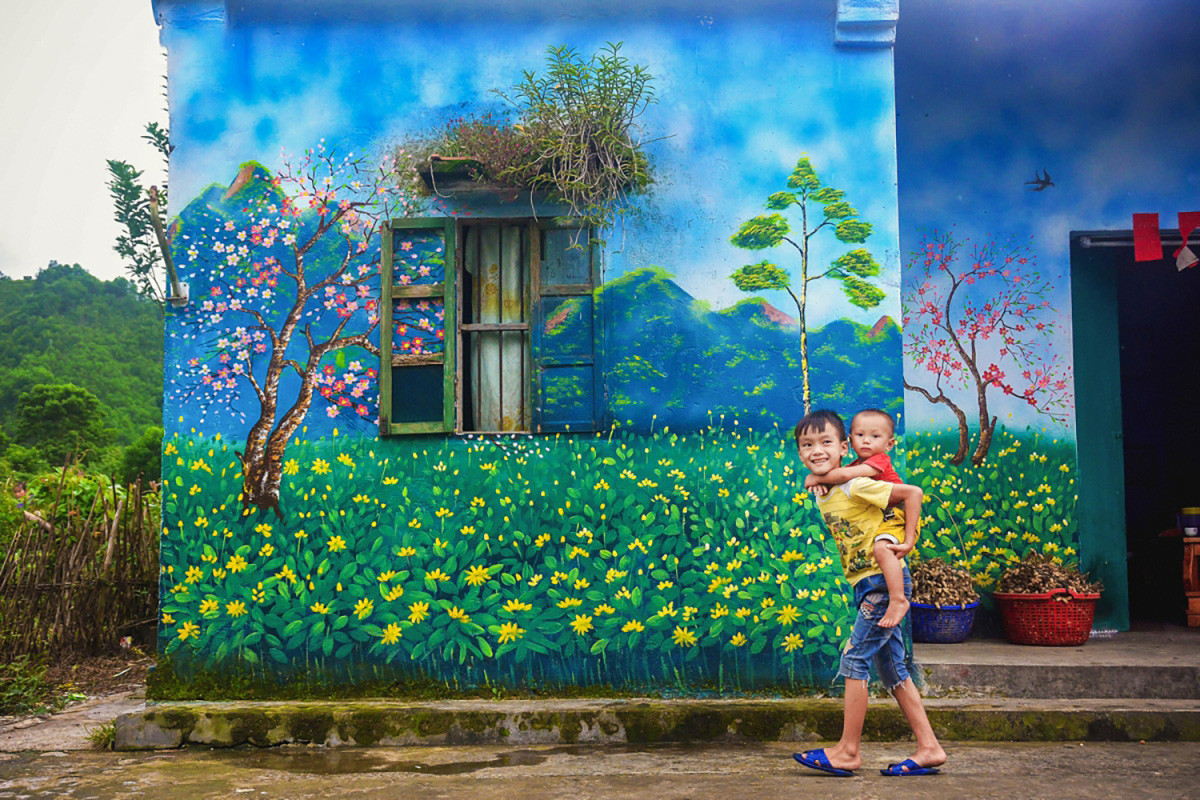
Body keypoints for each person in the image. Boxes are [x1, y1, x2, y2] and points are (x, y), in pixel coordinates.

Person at [791, 410, 946, 778]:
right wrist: (818, 478)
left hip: (882, 582)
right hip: (867, 584)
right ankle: (929, 748)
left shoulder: (858, 484)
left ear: (844, 447)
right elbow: (822, 478)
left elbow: (910, 493)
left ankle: (847, 751)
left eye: (826, 442)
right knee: (894, 671)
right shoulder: (826, 487)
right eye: (807, 445)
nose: (817, 450)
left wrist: (907, 541)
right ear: (799, 452)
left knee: (854, 660)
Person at [804, 409, 908, 627]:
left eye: (875, 436)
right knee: (890, 657)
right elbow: (841, 477)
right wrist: (818, 481)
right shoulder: (856, 469)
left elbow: (843, 477)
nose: (866, 441)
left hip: (897, 516)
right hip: (865, 573)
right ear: (850, 441)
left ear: (889, 444)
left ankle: (899, 599)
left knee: (882, 549)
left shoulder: (876, 462)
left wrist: (813, 476)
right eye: (860, 435)